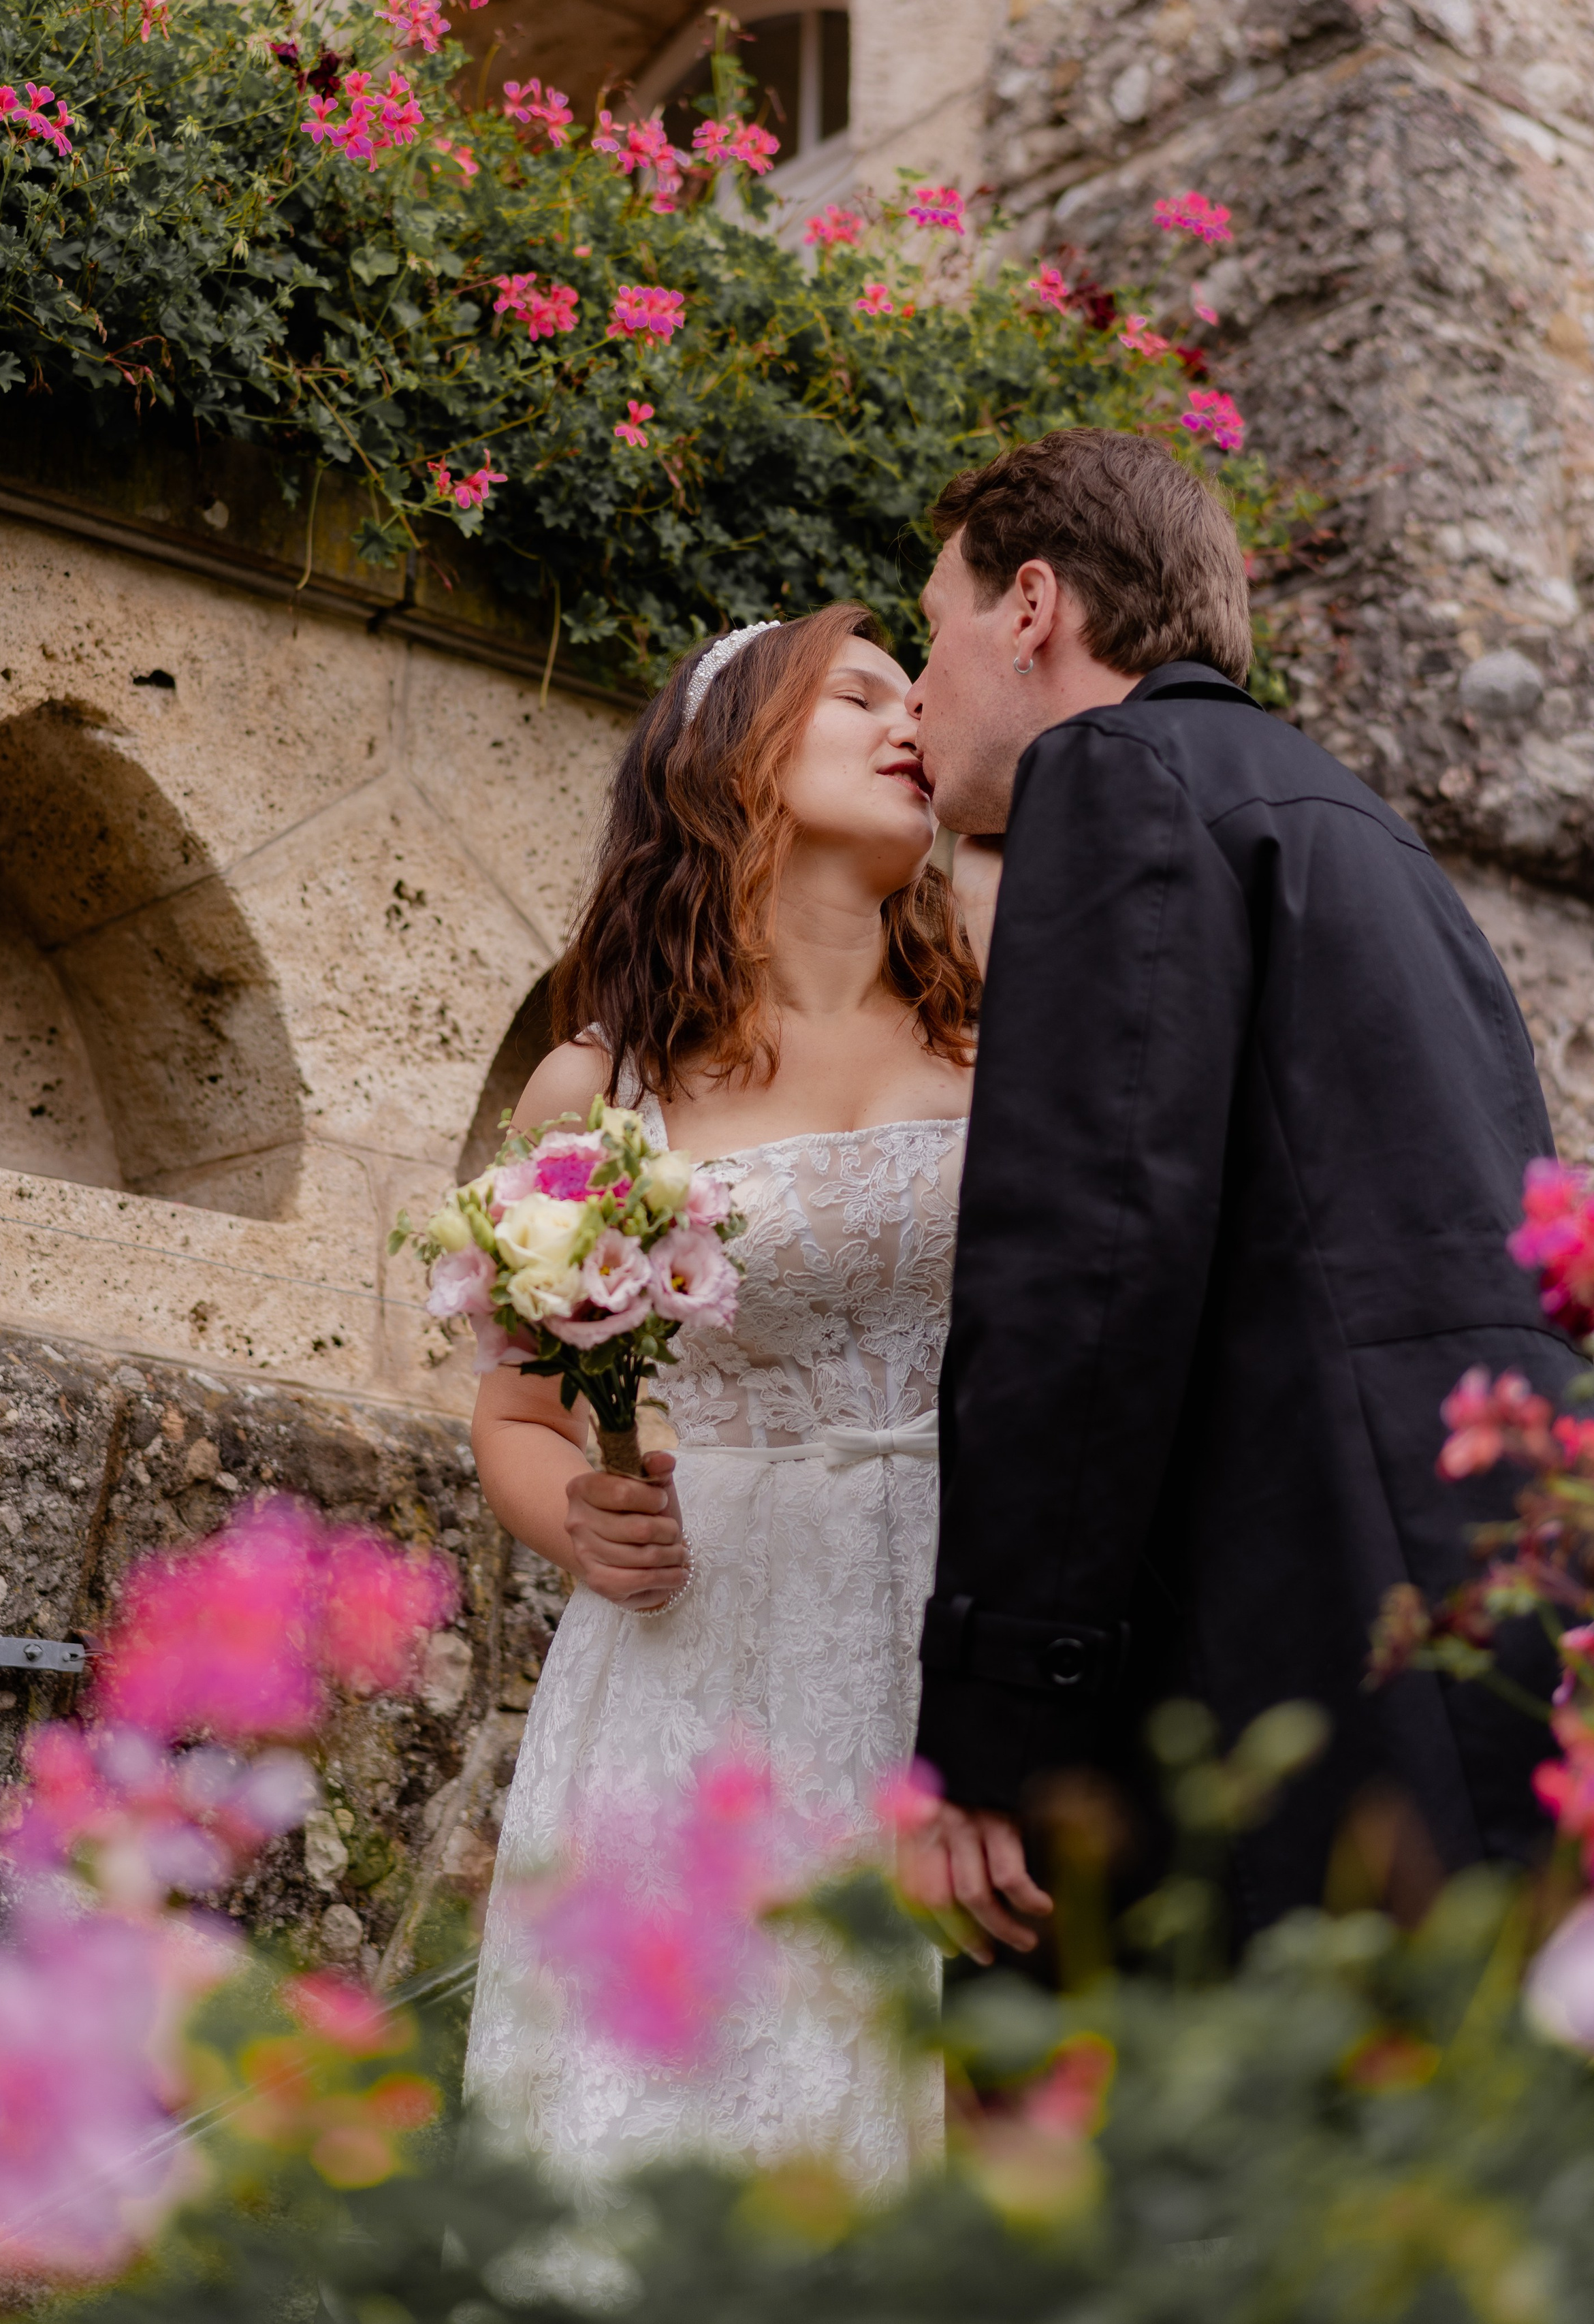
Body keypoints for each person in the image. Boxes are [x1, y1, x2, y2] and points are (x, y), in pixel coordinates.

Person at [896, 427, 1581, 1963]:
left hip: (1268, 1678)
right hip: (1472, 1637)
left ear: (1030, 606)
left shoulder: (1111, 775)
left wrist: (995, 1729)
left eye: (930, 632)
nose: (918, 693)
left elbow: (1080, 1267)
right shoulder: (1369, 836)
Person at [462, 602, 978, 2192]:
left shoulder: (1006, 1032)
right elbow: (518, 1415)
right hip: (700, 1657)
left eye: (916, 694)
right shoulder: (602, 1088)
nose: (910, 720)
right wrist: (581, 1524)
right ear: (730, 757)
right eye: (860, 694)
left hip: (962, 1623)